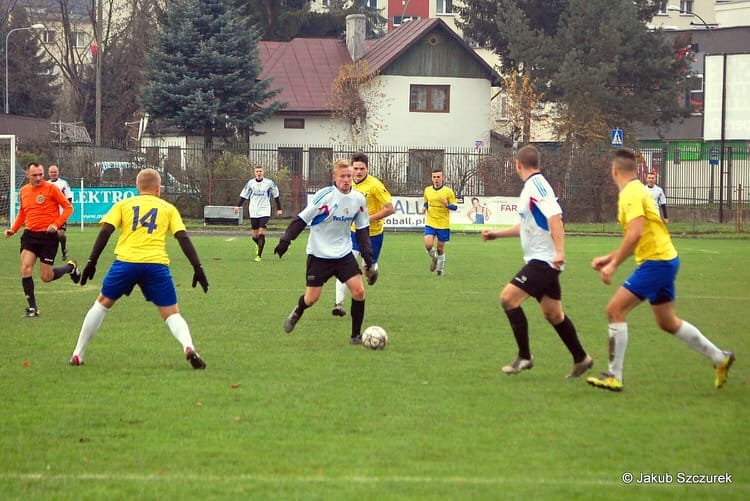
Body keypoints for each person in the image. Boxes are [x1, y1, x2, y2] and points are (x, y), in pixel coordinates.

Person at [587, 148, 734, 392]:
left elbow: (635, 233)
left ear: (614, 171)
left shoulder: (630, 194)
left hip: (656, 263)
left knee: (614, 310)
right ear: (636, 170)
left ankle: (613, 375)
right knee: (667, 321)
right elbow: (640, 236)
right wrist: (610, 257)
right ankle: (720, 358)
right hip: (664, 259)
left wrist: (613, 265)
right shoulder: (638, 190)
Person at [68, 168, 209, 369]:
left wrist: (92, 262)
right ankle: (188, 347)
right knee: (171, 313)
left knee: (102, 304)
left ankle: (77, 354)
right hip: (156, 265)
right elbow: (183, 237)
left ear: (137, 187)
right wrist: (198, 267)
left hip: (126, 263)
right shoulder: (168, 208)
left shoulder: (124, 204)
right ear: (158, 188)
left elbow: (106, 231)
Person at [481, 145, 593, 378]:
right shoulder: (530, 188)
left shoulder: (538, 186)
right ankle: (582, 358)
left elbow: (556, 218)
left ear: (517, 165)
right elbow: (525, 226)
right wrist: (496, 234)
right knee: (554, 314)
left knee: (508, 299)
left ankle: (524, 357)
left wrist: (560, 251)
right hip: (542, 260)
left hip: (544, 261)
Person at [274, 159, 374, 345]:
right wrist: (285, 241)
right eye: (342, 176)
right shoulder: (325, 196)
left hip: (343, 254)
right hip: (319, 254)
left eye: (349, 176)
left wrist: (369, 258)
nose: (346, 180)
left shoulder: (358, 199)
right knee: (312, 298)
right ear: (334, 177)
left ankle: (355, 335)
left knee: (359, 291)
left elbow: (362, 230)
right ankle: (298, 310)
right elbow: (301, 220)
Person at [4, 162, 80, 317]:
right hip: (30, 236)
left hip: (48, 238)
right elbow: (23, 214)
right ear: (27, 175)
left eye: (41, 174)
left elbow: (68, 208)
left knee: (46, 277)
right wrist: (13, 229)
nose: (38, 178)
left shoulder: (52, 189)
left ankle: (70, 268)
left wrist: (56, 224)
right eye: (35, 175)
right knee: (25, 268)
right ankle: (33, 308)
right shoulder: (24, 191)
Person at [332, 152, 395, 317]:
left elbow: (390, 208)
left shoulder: (374, 185)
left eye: (362, 168)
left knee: (367, 269)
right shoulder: (347, 182)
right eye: (356, 168)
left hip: (373, 234)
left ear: (367, 169)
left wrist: (366, 219)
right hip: (352, 233)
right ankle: (338, 304)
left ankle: (373, 270)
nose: (358, 172)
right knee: (344, 266)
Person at [235, 165, 282, 261]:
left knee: (261, 233)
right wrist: (238, 206)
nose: (259, 173)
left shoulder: (269, 183)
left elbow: (276, 195)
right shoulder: (250, 183)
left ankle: (259, 256)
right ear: (254, 173)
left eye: (260, 171)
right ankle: (259, 245)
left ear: (263, 172)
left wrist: (279, 208)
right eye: (257, 171)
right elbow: (244, 196)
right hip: (253, 210)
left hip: (265, 210)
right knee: (254, 236)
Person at [422, 167, 457, 276]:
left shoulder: (448, 191)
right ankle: (435, 257)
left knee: (440, 248)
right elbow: (426, 202)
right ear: (431, 178)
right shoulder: (427, 190)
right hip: (431, 222)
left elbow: (455, 207)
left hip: (443, 224)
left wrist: (446, 204)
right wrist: (424, 207)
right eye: (434, 177)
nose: (436, 179)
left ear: (442, 178)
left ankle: (440, 269)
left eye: (438, 177)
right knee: (428, 245)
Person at [48, 164, 73, 260]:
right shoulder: (46, 184)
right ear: (49, 173)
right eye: (52, 172)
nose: (53, 174)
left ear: (58, 172)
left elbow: (69, 197)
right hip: (50, 213)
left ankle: (63, 249)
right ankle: (49, 254)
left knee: (60, 235)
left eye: (55, 172)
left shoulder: (63, 183)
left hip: (61, 213)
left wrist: (67, 210)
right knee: (50, 235)